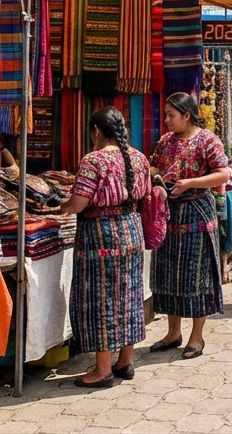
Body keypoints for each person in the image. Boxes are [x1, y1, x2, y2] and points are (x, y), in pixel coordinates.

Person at [60, 107, 154, 387]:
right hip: (131, 230)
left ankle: (102, 370)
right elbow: (145, 194)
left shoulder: (94, 160)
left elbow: (78, 203)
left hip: (100, 235)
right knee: (128, 294)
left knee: (101, 298)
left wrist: (61, 206)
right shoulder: (138, 158)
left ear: (97, 131)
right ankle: (125, 361)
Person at [146, 93, 232, 360]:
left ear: (187, 115)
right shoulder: (165, 142)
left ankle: (197, 336)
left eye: (172, 115)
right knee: (169, 273)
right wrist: (157, 177)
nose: (167, 120)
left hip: (196, 214)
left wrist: (190, 183)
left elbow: (224, 173)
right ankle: (173, 332)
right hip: (169, 214)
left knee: (197, 276)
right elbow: (155, 166)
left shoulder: (208, 140)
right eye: (166, 114)